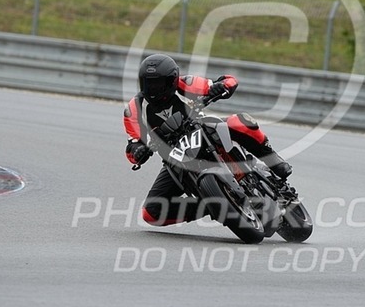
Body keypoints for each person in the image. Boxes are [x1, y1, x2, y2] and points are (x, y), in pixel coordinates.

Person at [123, 53, 293, 226]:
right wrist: (137, 152)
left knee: (239, 122)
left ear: (172, 81)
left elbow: (229, 80)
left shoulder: (185, 83)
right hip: (176, 159)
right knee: (150, 213)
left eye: (158, 83)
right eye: (148, 83)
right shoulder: (134, 108)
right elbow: (132, 146)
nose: (153, 88)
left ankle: (274, 161)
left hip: (204, 132)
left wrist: (221, 87)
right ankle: (208, 206)